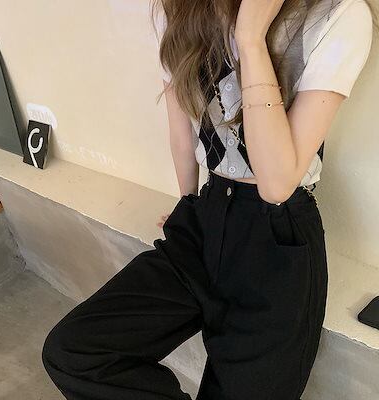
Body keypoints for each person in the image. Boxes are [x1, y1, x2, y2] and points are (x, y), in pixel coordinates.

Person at [41, 0, 374, 399]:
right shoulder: (184, 9)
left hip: (277, 241)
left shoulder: (338, 14)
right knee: (76, 352)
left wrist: (250, 39)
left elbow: (276, 184)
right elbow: (182, 129)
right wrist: (187, 203)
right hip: (205, 218)